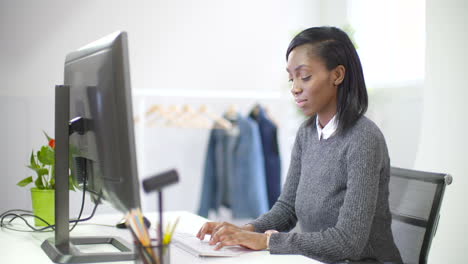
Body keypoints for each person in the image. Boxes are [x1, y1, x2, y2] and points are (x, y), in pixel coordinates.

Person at [196, 26, 403, 264]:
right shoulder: (306, 133)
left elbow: (348, 242)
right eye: (291, 78)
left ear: (337, 75)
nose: (295, 87)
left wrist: (267, 242)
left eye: (304, 77)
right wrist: (246, 231)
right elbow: (287, 208)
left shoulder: (364, 138)